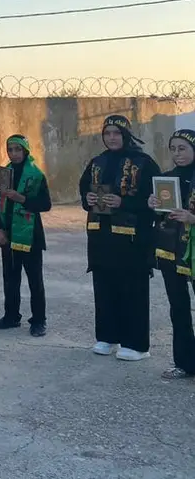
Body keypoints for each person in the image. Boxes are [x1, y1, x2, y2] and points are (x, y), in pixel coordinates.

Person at [79, 114, 159, 361]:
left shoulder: (144, 163)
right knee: (104, 287)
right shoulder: (97, 162)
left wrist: (123, 202)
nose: (111, 138)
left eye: (116, 133)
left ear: (126, 135)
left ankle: (137, 344)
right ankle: (107, 336)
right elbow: (84, 190)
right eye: (107, 133)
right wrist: (88, 199)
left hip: (132, 239)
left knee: (132, 289)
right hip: (101, 237)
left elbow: (155, 202)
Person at [0, 134, 52, 337]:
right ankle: (11, 316)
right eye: (10, 150)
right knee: (10, 278)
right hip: (8, 232)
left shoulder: (36, 175)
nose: (14, 153)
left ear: (25, 151)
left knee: (35, 280)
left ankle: (39, 320)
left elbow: (46, 204)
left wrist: (22, 198)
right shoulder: (3, 174)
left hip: (30, 234)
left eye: (18, 149)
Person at [148, 128, 195, 377]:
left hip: (193, 251)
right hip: (171, 250)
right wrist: (152, 205)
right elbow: (162, 216)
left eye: (183, 148)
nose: (177, 153)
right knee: (178, 307)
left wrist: (192, 218)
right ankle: (185, 363)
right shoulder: (166, 179)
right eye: (173, 149)